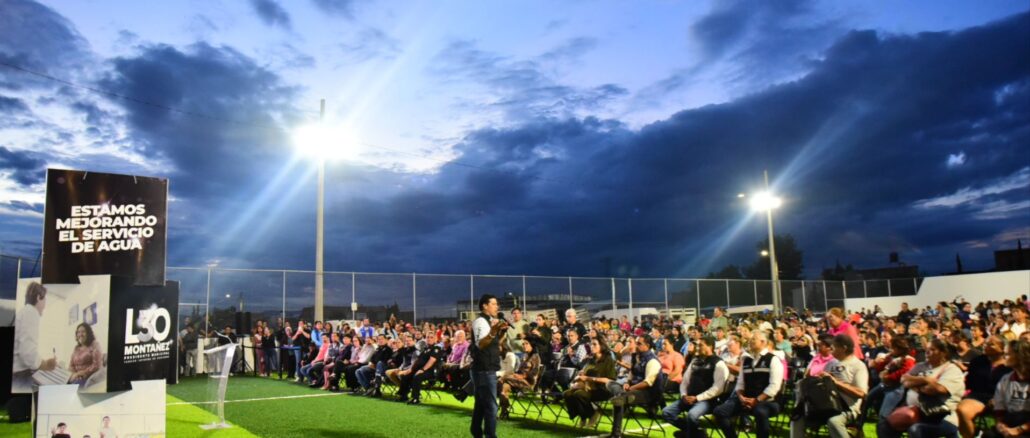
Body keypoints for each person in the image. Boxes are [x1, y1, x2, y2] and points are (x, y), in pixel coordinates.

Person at [876, 338, 965, 438]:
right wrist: (925, 379)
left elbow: (937, 389)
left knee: (916, 429)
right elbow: (904, 379)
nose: (927, 352)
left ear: (943, 353)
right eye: (927, 349)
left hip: (940, 417)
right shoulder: (921, 366)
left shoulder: (952, 370)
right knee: (884, 426)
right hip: (915, 412)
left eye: (932, 349)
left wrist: (914, 383)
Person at [790, 334, 868, 438]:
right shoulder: (831, 364)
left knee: (833, 421)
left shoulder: (858, 366)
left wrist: (835, 382)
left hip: (847, 408)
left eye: (834, 347)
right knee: (797, 417)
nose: (831, 350)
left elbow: (861, 393)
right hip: (825, 405)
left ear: (844, 348)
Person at [713, 331, 784, 438]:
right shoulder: (746, 360)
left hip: (768, 401)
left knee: (760, 412)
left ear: (763, 342)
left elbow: (774, 386)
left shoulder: (773, 360)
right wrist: (741, 397)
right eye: (750, 339)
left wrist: (757, 400)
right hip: (746, 400)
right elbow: (740, 383)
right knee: (719, 411)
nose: (750, 341)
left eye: (753, 339)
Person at [663, 336, 729, 438]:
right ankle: (697, 433)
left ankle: (690, 434)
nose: (698, 347)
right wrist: (684, 395)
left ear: (710, 346)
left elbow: (718, 388)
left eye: (701, 345)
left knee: (692, 415)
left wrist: (697, 398)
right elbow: (685, 380)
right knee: (666, 412)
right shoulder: (695, 361)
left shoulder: (718, 363)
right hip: (689, 397)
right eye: (697, 345)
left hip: (707, 401)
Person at [956, 335, 1011, 438]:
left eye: (991, 344)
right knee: (962, 409)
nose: (986, 346)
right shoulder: (977, 361)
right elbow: (970, 383)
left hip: (1002, 398)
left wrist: (998, 399)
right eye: (985, 343)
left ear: (1003, 348)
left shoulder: (1010, 365)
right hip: (979, 396)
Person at [610, 335, 663, 438]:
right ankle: (622, 396)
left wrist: (631, 388)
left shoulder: (653, 361)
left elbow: (647, 383)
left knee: (619, 398)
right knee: (610, 384)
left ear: (647, 346)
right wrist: (627, 383)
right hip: (633, 389)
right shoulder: (636, 356)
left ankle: (616, 434)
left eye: (639, 344)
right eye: (636, 343)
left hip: (649, 393)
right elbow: (632, 373)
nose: (636, 346)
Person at [470, 294, 507, 438]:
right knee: (491, 406)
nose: (497, 306)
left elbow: (494, 344)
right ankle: (490, 435)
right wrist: (493, 332)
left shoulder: (490, 321)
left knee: (480, 405)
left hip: (486, 368)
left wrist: (501, 332)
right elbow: (481, 344)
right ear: (485, 305)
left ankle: (476, 432)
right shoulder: (480, 321)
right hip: (483, 369)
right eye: (494, 303)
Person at [564, 336, 616, 428]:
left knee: (579, 394)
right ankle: (583, 416)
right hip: (588, 387)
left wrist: (589, 378)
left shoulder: (608, 360)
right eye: (591, 344)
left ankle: (593, 414)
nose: (592, 346)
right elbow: (583, 373)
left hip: (603, 389)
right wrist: (579, 377)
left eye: (595, 344)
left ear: (602, 346)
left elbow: (610, 380)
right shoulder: (590, 359)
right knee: (567, 394)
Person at [13, 282, 57, 391]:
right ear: (38, 297)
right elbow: (28, 353)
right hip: (21, 376)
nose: (45, 306)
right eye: (45, 300)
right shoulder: (31, 312)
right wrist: (46, 364)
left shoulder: (23, 312)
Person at [982, 339, 1030, 438]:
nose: (1004, 357)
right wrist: (1001, 426)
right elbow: (1000, 410)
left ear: (1020, 356)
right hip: (1011, 419)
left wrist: (1019, 430)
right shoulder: (1006, 379)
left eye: (1008, 354)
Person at [499, 339, 539, 418]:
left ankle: (498, 406)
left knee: (503, 378)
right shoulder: (525, 356)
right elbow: (519, 370)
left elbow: (535, 371)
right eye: (523, 344)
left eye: (526, 343)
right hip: (517, 381)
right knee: (504, 387)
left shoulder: (536, 357)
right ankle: (504, 412)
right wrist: (516, 374)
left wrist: (523, 376)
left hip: (528, 382)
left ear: (532, 346)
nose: (524, 345)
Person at [67, 323, 104, 387]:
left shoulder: (95, 345)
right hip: (76, 377)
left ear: (88, 333)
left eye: (83, 331)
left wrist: (80, 374)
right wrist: (74, 374)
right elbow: (71, 365)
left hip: (88, 378)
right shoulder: (76, 348)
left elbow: (97, 365)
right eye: (78, 332)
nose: (80, 334)